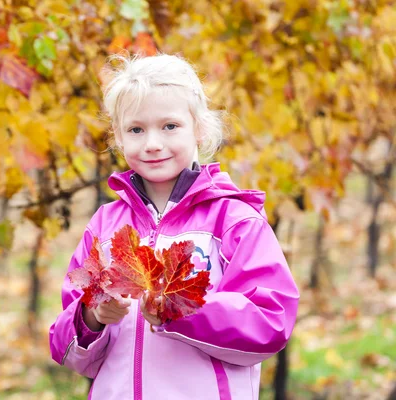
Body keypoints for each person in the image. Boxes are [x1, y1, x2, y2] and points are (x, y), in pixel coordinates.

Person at [49, 53, 299, 400]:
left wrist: (177, 310)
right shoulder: (105, 224)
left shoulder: (233, 220)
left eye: (170, 126)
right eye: (136, 129)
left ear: (198, 128)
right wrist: (93, 316)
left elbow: (268, 323)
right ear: (118, 138)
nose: (152, 143)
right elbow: (68, 350)